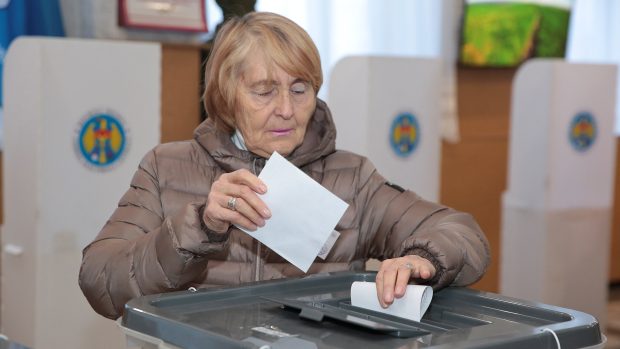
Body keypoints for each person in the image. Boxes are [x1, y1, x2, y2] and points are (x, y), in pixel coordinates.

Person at [79, 11, 490, 320]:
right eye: (263, 91)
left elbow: (462, 233)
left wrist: (423, 259)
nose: (286, 110)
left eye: (300, 89)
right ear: (225, 95)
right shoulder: (166, 167)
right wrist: (198, 228)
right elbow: (100, 283)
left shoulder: (351, 177)